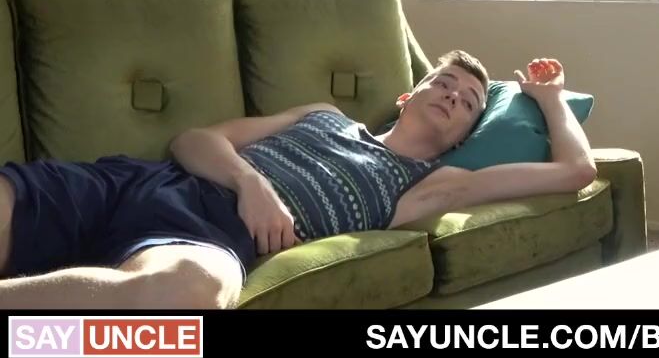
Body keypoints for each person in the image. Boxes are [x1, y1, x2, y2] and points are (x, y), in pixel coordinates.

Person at [0, 51, 596, 309]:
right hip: (143, 181)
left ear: (464, 136)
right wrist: (252, 185)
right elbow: (193, 140)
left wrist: (548, 98)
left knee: (186, 302)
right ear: (407, 94)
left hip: (205, 237)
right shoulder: (323, 114)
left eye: (468, 102)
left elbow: (576, 171)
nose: (452, 96)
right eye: (443, 82)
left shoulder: (431, 186)